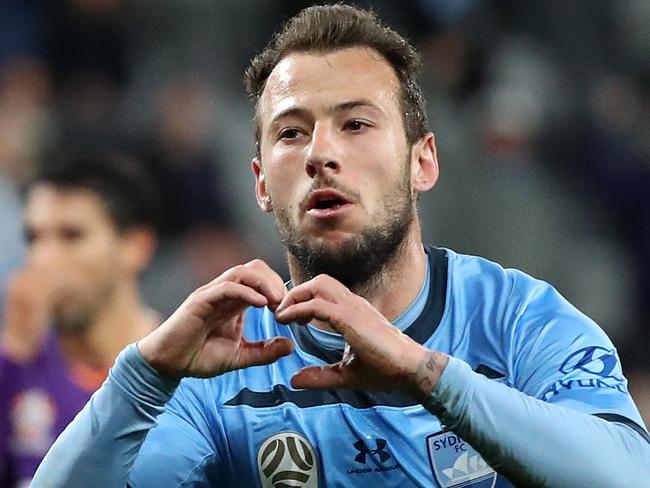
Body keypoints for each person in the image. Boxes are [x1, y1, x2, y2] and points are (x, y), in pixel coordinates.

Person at [33, 5, 649, 487]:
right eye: (292, 132)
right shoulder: (226, 366)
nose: (321, 154)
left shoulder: (517, 322)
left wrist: (427, 376)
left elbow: (629, 475)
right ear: (260, 185)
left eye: (356, 124)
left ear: (423, 162)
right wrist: (143, 378)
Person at [0, 153, 160, 487]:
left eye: (71, 235)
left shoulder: (189, 376)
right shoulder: (13, 370)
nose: (43, 257)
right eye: (34, 238)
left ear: (136, 247)